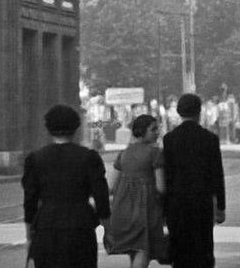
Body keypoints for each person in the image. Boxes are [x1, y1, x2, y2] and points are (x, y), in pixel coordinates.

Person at [21, 104, 111, 267]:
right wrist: (108, 230)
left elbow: (30, 201)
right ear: (76, 127)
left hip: (46, 227)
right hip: (80, 225)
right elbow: (101, 197)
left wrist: (29, 237)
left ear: (48, 128)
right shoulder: (89, 158)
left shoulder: (35, 159)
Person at [162, 93, 226, 268]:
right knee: (203, 248)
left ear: (178, 112)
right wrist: (220, 206)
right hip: (201, 202)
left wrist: (163, 208)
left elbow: (167, 176)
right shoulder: (210, 139)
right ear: (199, 111)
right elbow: (217, 175)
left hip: (177, 203)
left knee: (180, 251)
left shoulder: (169, 139)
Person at [104, 115, 168, 268]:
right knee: (143, 249)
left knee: (134, 250)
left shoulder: (123, 154)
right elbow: (161, 187)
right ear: (142, 131)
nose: (157, 132)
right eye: (153, 129)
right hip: (146, 208)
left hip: (123, 207)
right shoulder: (155, 153)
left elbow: (112, 186)